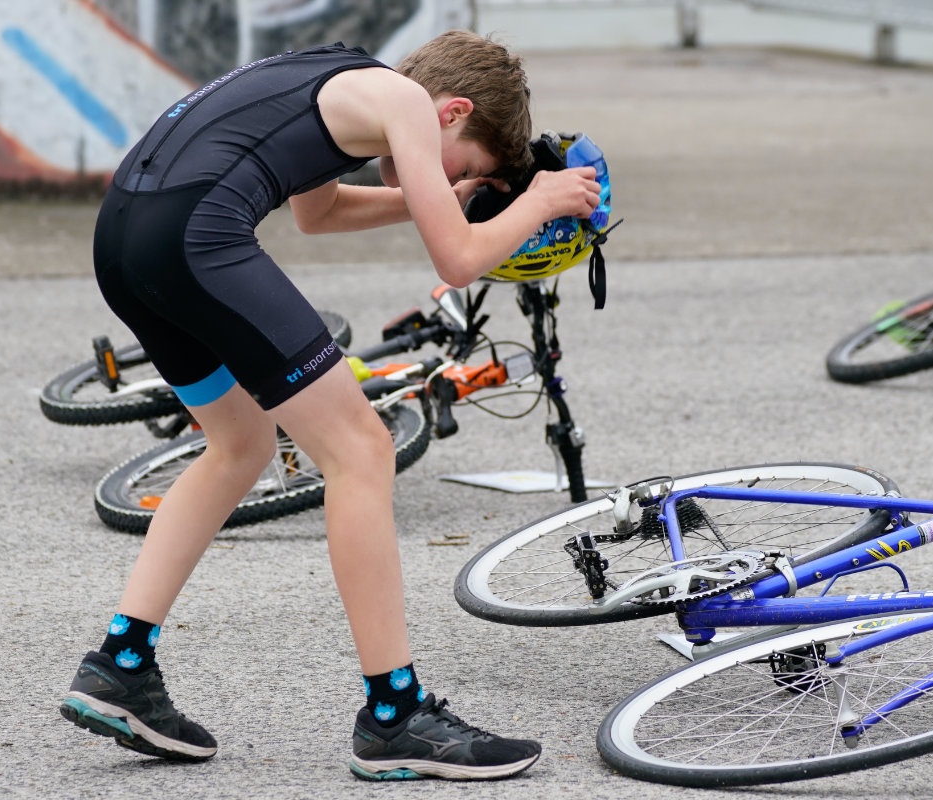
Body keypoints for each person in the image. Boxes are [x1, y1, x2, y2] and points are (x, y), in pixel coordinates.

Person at [57, 30, 602, 781]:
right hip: (194, 238)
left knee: (239, 447)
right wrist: (538, 200)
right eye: (470, 166)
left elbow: (319, 214)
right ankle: (394, 714)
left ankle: (120, 665)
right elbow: (459, 260)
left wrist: (442, 197)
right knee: (363, 451)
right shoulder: (407, 105)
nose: (460, 181)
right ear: (453, 112)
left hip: (124, 235)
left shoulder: (345, 79)